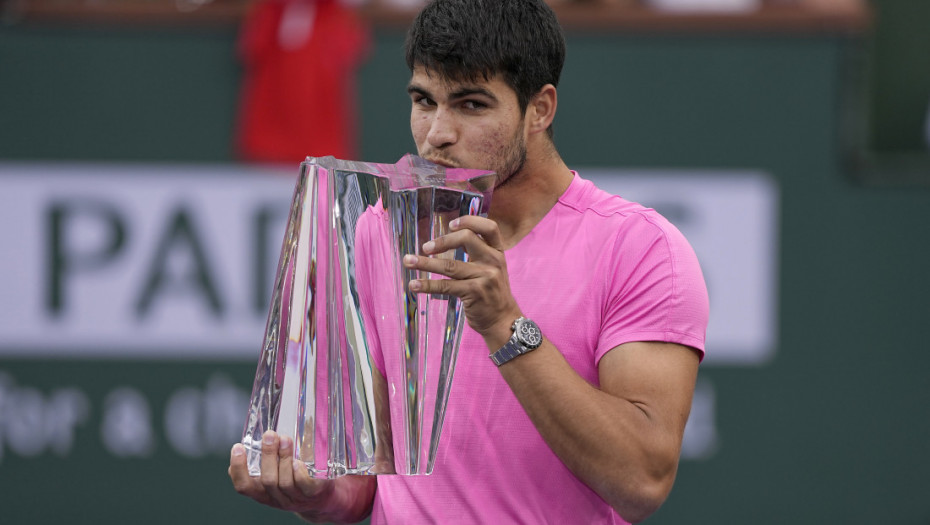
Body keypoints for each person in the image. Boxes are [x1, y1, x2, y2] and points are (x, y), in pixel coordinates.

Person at [228, 0, 709, 523]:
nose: (437, 133)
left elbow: (641, 481)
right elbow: (367, 480)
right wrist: (314, 492)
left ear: (540, 110)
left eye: (471, 105)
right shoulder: (380, 230)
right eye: (424, 100)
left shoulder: (641, 250)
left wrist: (505, 325)